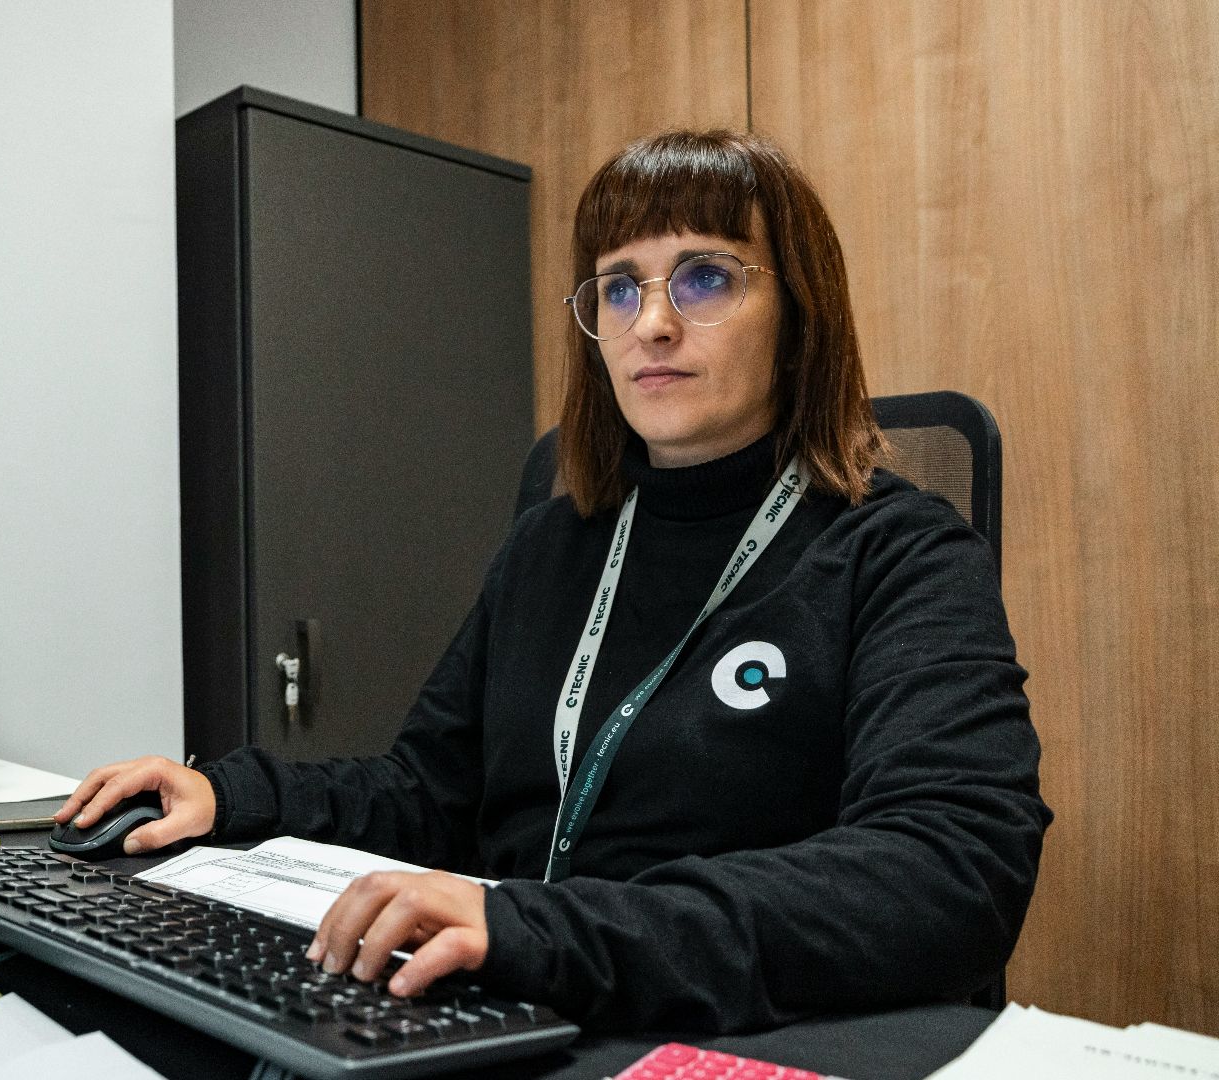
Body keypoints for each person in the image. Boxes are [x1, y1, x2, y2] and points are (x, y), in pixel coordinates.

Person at [56, 129, 1051, 1033]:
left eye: (703, 278)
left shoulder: (899, 552)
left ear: (799, 315)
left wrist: (540, 928)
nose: (650, 324)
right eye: (619, 287)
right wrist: (228, 793)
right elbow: (427, 795)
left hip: (712, 1023)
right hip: (504, 998)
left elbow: (951, 872)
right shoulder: (553, 545)